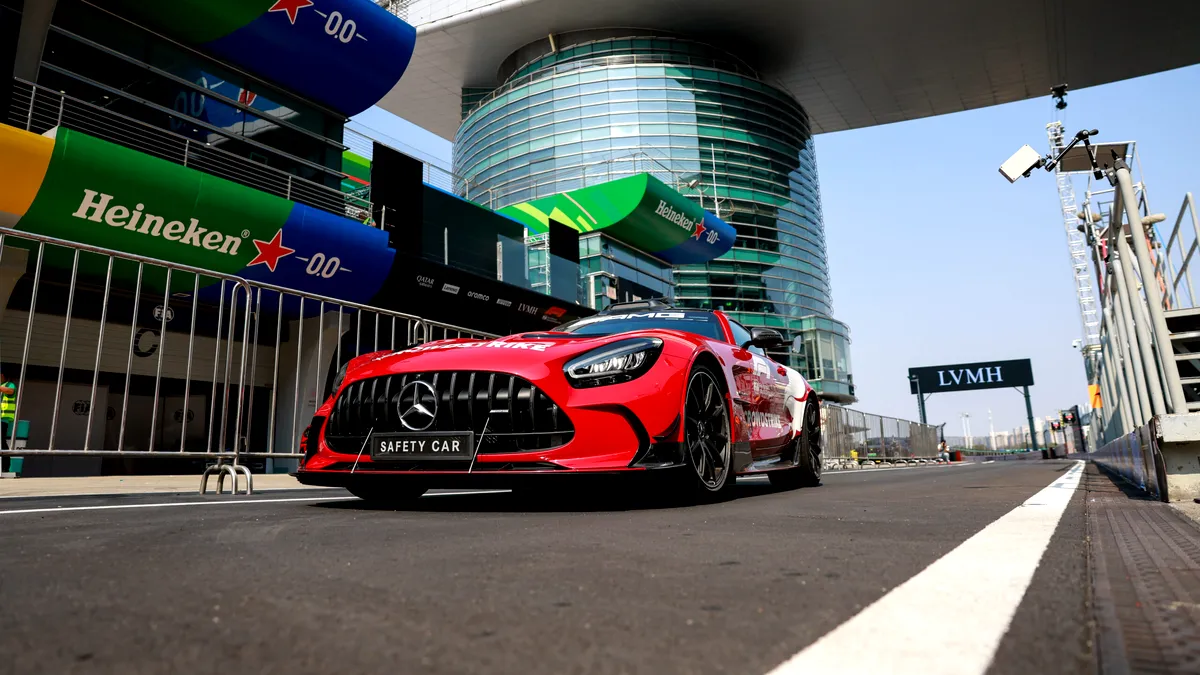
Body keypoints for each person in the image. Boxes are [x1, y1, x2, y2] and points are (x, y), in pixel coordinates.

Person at [0, 371, 14, 469]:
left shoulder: (9, 385)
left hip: (3, 419)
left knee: (1, 442)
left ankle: (5, 466)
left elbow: (10, 391)